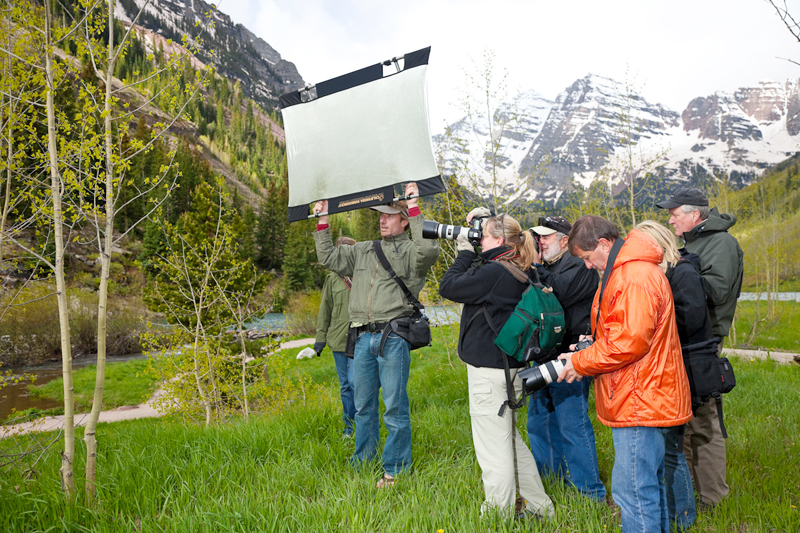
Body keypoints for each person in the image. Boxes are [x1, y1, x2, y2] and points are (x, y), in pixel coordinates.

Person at [557, 215, 692, 533]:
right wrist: (588, 348)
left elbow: (628, 344)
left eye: (588, 258)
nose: (588, 266)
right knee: (649, 488)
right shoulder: (629, 270)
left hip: (639, 399)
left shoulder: (632, 275)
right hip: (644, 394)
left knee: (633, 494)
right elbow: (622, 333)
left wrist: (579, 364)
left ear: (604, 244)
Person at [312, 182, 439, 488]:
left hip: (393, 337)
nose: (382, 220)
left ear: (404, 220)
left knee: (394, 406)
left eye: (389, 216)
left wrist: (414, 206)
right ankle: (362, 462)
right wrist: (322, 221)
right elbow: (329, 258)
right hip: (361, 337)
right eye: (380, 216)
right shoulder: (363, 249)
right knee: (362, 406)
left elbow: (430, 250)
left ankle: (395, 469)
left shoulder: (411, 251)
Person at [439, 210, 554, 519]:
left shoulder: (494, 273)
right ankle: (540, 508)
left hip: (489, 375)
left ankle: (496, 518)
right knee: (511, 443)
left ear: (500, 240)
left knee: (494, 453)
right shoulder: (520, 267)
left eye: (484, 236)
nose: (479, 239)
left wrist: (464, 252)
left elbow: (448, 287)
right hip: (510, 369)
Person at [657, 187, 744, 510]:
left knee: (705, 421)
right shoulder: (692, 244)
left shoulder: (721, 243)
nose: (670, 219)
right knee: (687, 417)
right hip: (686, 340)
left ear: (695, 214)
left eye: (674, 213)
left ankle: (712, 496)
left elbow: (718, 291)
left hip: (703, 344)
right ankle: (691, 490)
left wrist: (675, 275)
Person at [636, 220, 716, 531]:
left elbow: (692, 317)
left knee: (674, 448)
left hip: (688, 365)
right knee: (673, 447)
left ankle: (682, 515)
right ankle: (676, 512)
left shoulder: (682, 272)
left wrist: (653, 327)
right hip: (675, 364)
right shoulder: (667, 272)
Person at [526, 216, 606, 502]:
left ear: (564, 239)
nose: (540, 242)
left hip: (571, 359)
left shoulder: (578, 264)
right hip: (545, 354)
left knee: (572, 424)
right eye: (537, 237)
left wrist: (533, 266)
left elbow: (554, 294)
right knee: (539, 422)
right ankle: (551, 480)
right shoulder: (550, 266)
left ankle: (589, 492)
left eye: (546, 237)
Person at [314, 236, 358, 438]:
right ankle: (349, 429)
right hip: (339, 341)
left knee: (359, 383)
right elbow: (325, 310)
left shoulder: (364, 275)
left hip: (363, 339)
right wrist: (320, 338)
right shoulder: (332, 278)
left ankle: (364, 423)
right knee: (347, 385)